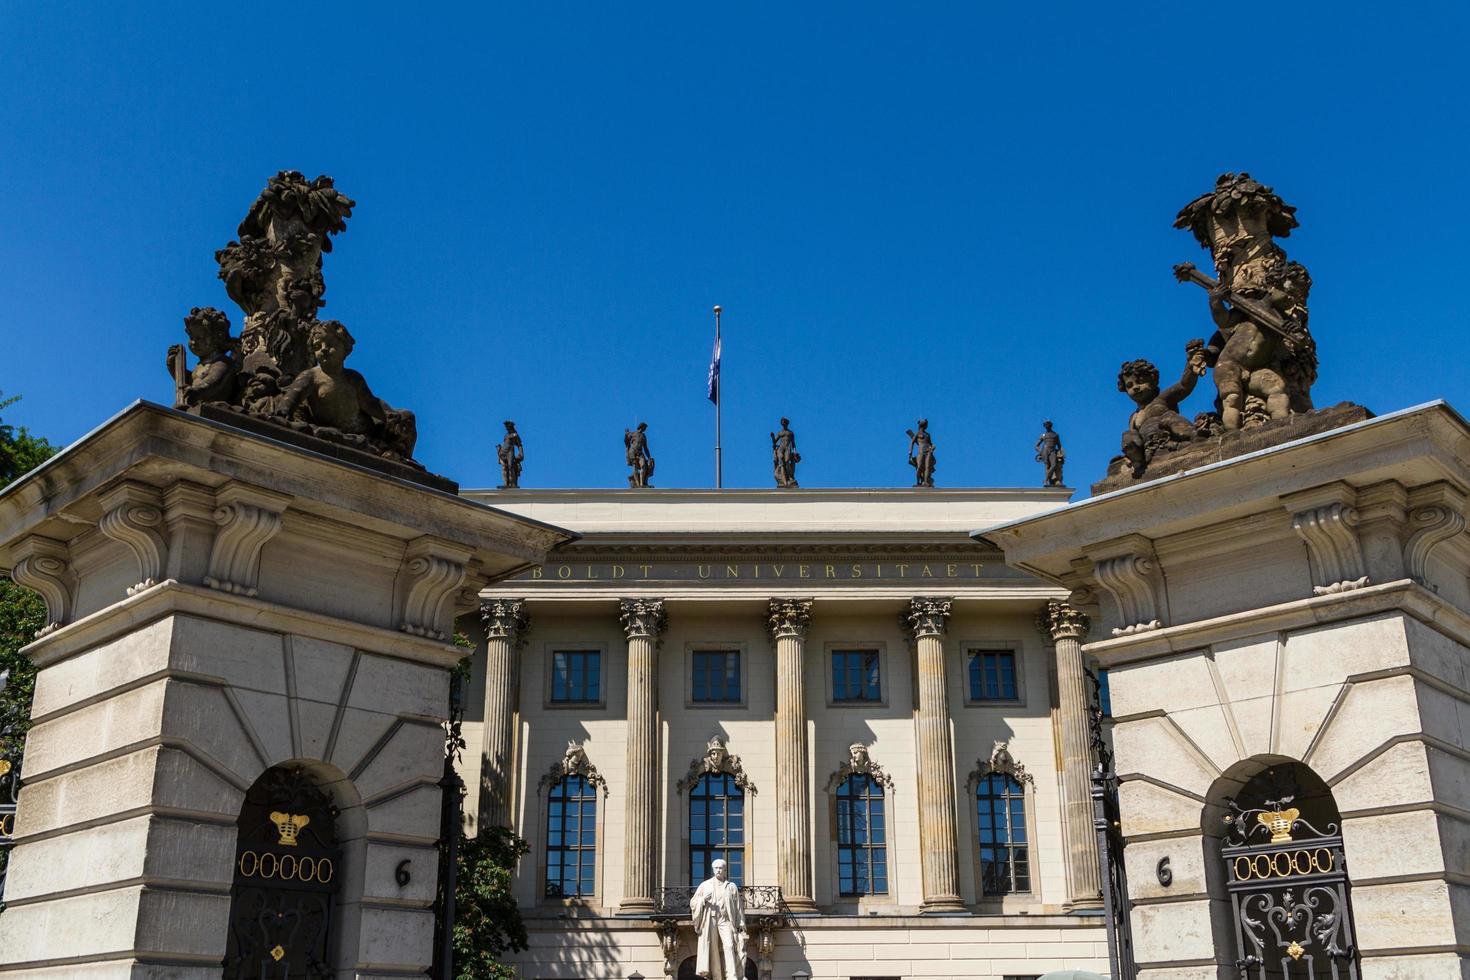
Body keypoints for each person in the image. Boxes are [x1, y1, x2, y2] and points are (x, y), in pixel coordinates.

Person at [691, 859, 745, 980]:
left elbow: (738, 907)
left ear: (725, 870)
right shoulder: (705, 885)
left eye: (721, 868)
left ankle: (732, 976)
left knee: (730, 945)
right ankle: (716, 976)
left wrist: (741, 923)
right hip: (711, 919)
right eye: (716, 868)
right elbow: (693, 903)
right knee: (712, 948)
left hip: (726, 919)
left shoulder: (731, 887)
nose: (718, 870)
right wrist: (703, 900)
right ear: (713, 870)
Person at [770, 417, 800, 488]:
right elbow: (775, 441)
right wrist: (772, 437)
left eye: (784, 422)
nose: (783, 423)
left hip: (787, 448)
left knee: (787, 461)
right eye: (782, 422)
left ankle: (790, 476)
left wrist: (795, 452)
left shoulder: (790, 433)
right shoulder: (780, 432)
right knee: (781, 463)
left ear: (787, 423)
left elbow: (793, 444)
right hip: (781, 448)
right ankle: (784, 481)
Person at [1035, 420, 1064, 487]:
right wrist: (1040, 452)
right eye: (1045, 425)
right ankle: (1047, 481)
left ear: (1050, 425)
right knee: (1047, 466)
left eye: (1046, 425)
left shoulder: (1055, 435)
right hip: (1045, 450)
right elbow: (1036, 446)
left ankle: (1046, 479)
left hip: (1052, 450)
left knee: (1053, 465)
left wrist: (1061, 453)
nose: (1045, 426)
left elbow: (1059, 445)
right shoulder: (1043, 435)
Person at [497, 420, 524, 488]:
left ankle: (513, 484)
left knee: (510, 466)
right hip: (503, 452)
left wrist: (521, 453)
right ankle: (506, 484)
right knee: (504, 467)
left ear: (510, 427)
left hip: (510, 452)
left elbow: (519, 445)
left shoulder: (515, 435)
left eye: (507, 427)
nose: (506, 428)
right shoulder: (506, 435)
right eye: (505, 427)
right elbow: (505, 443)